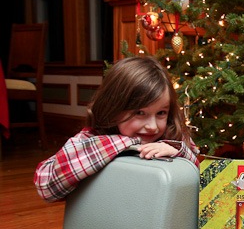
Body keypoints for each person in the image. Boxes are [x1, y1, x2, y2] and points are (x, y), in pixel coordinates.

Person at [34, 56, 200, 202]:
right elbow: (45, 186)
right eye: (140, 113)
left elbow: (199, 179)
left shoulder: (171, 136)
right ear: (114, 108)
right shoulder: (89, 138)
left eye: (161, 113)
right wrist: (125, 143)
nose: (153, 126)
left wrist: (178, 152)